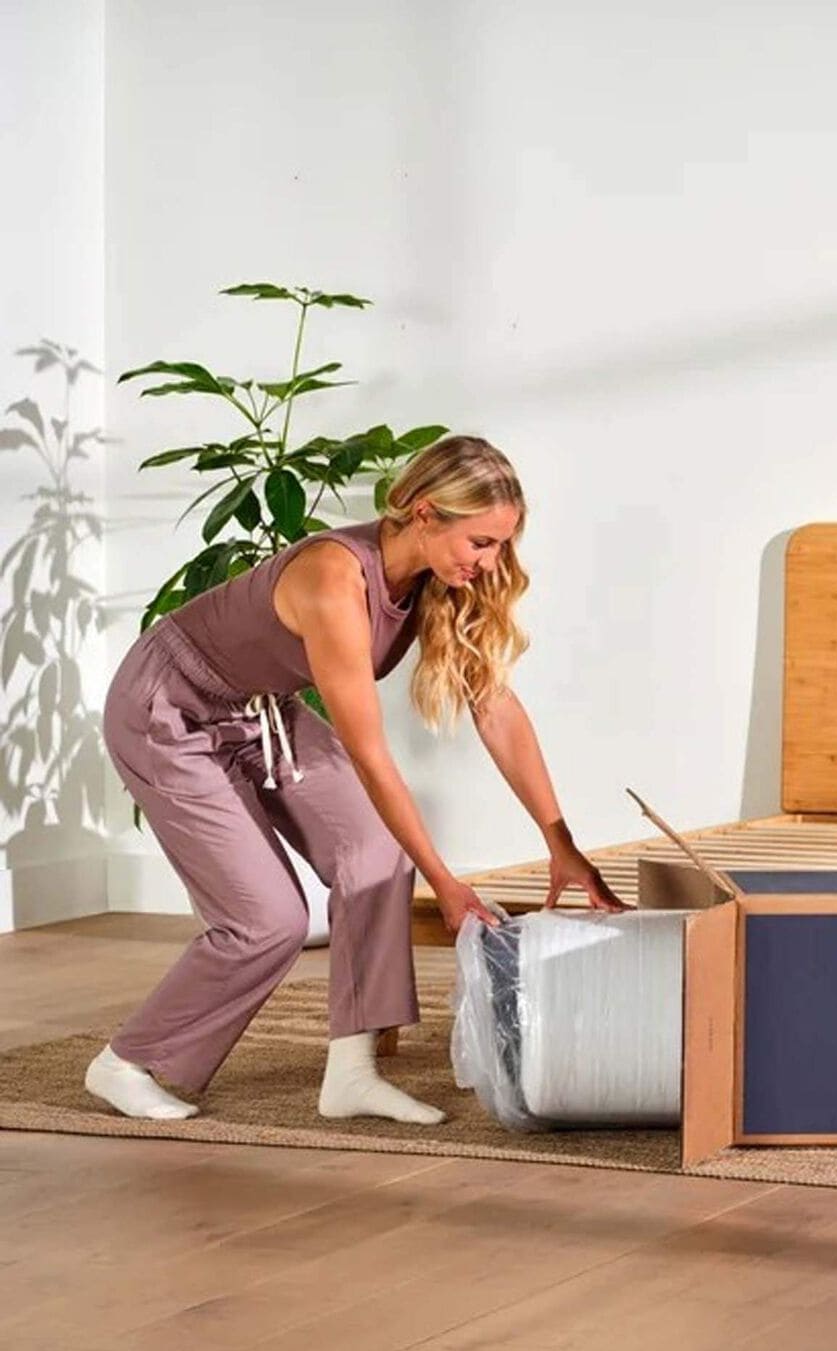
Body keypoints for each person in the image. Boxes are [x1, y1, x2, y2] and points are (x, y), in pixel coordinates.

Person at [86, 434, 623, 1124]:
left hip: (260, 711)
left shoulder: (437, 579)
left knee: (374, 856)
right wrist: (448, 884)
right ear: (426, 514)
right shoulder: (333, 579)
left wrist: (562, 843)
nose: (491, 563)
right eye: (481, 542)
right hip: (170, 710)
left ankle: (352, 1072)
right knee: (268, 922)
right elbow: (371, 757)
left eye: (501, 545)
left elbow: (495, 706)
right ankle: (130, 1061)